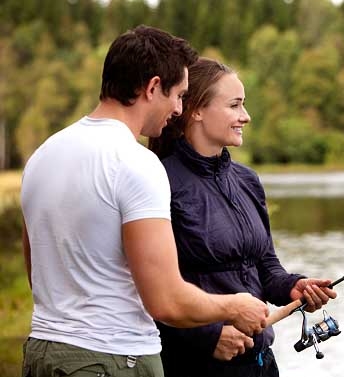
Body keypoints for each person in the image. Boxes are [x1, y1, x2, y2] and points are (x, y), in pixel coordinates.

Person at [20, 26, 269, 377]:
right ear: (152, 87)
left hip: (42, 353)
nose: (179, 109)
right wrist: (234, 305)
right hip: (113, 359)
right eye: (179, 95)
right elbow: (166, 300)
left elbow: (37, 270)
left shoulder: (44, 155)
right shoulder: (135, 163)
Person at [148, 57, 338, 377]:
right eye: (235, 105)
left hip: (261, 363)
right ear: (195, 109)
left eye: (244, 105)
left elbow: (266, 267)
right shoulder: (159, 181)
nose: (245, 117)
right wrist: (207, 336)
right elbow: (147, 288)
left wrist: (295, 286)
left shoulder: (247, 180)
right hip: (195, 365)